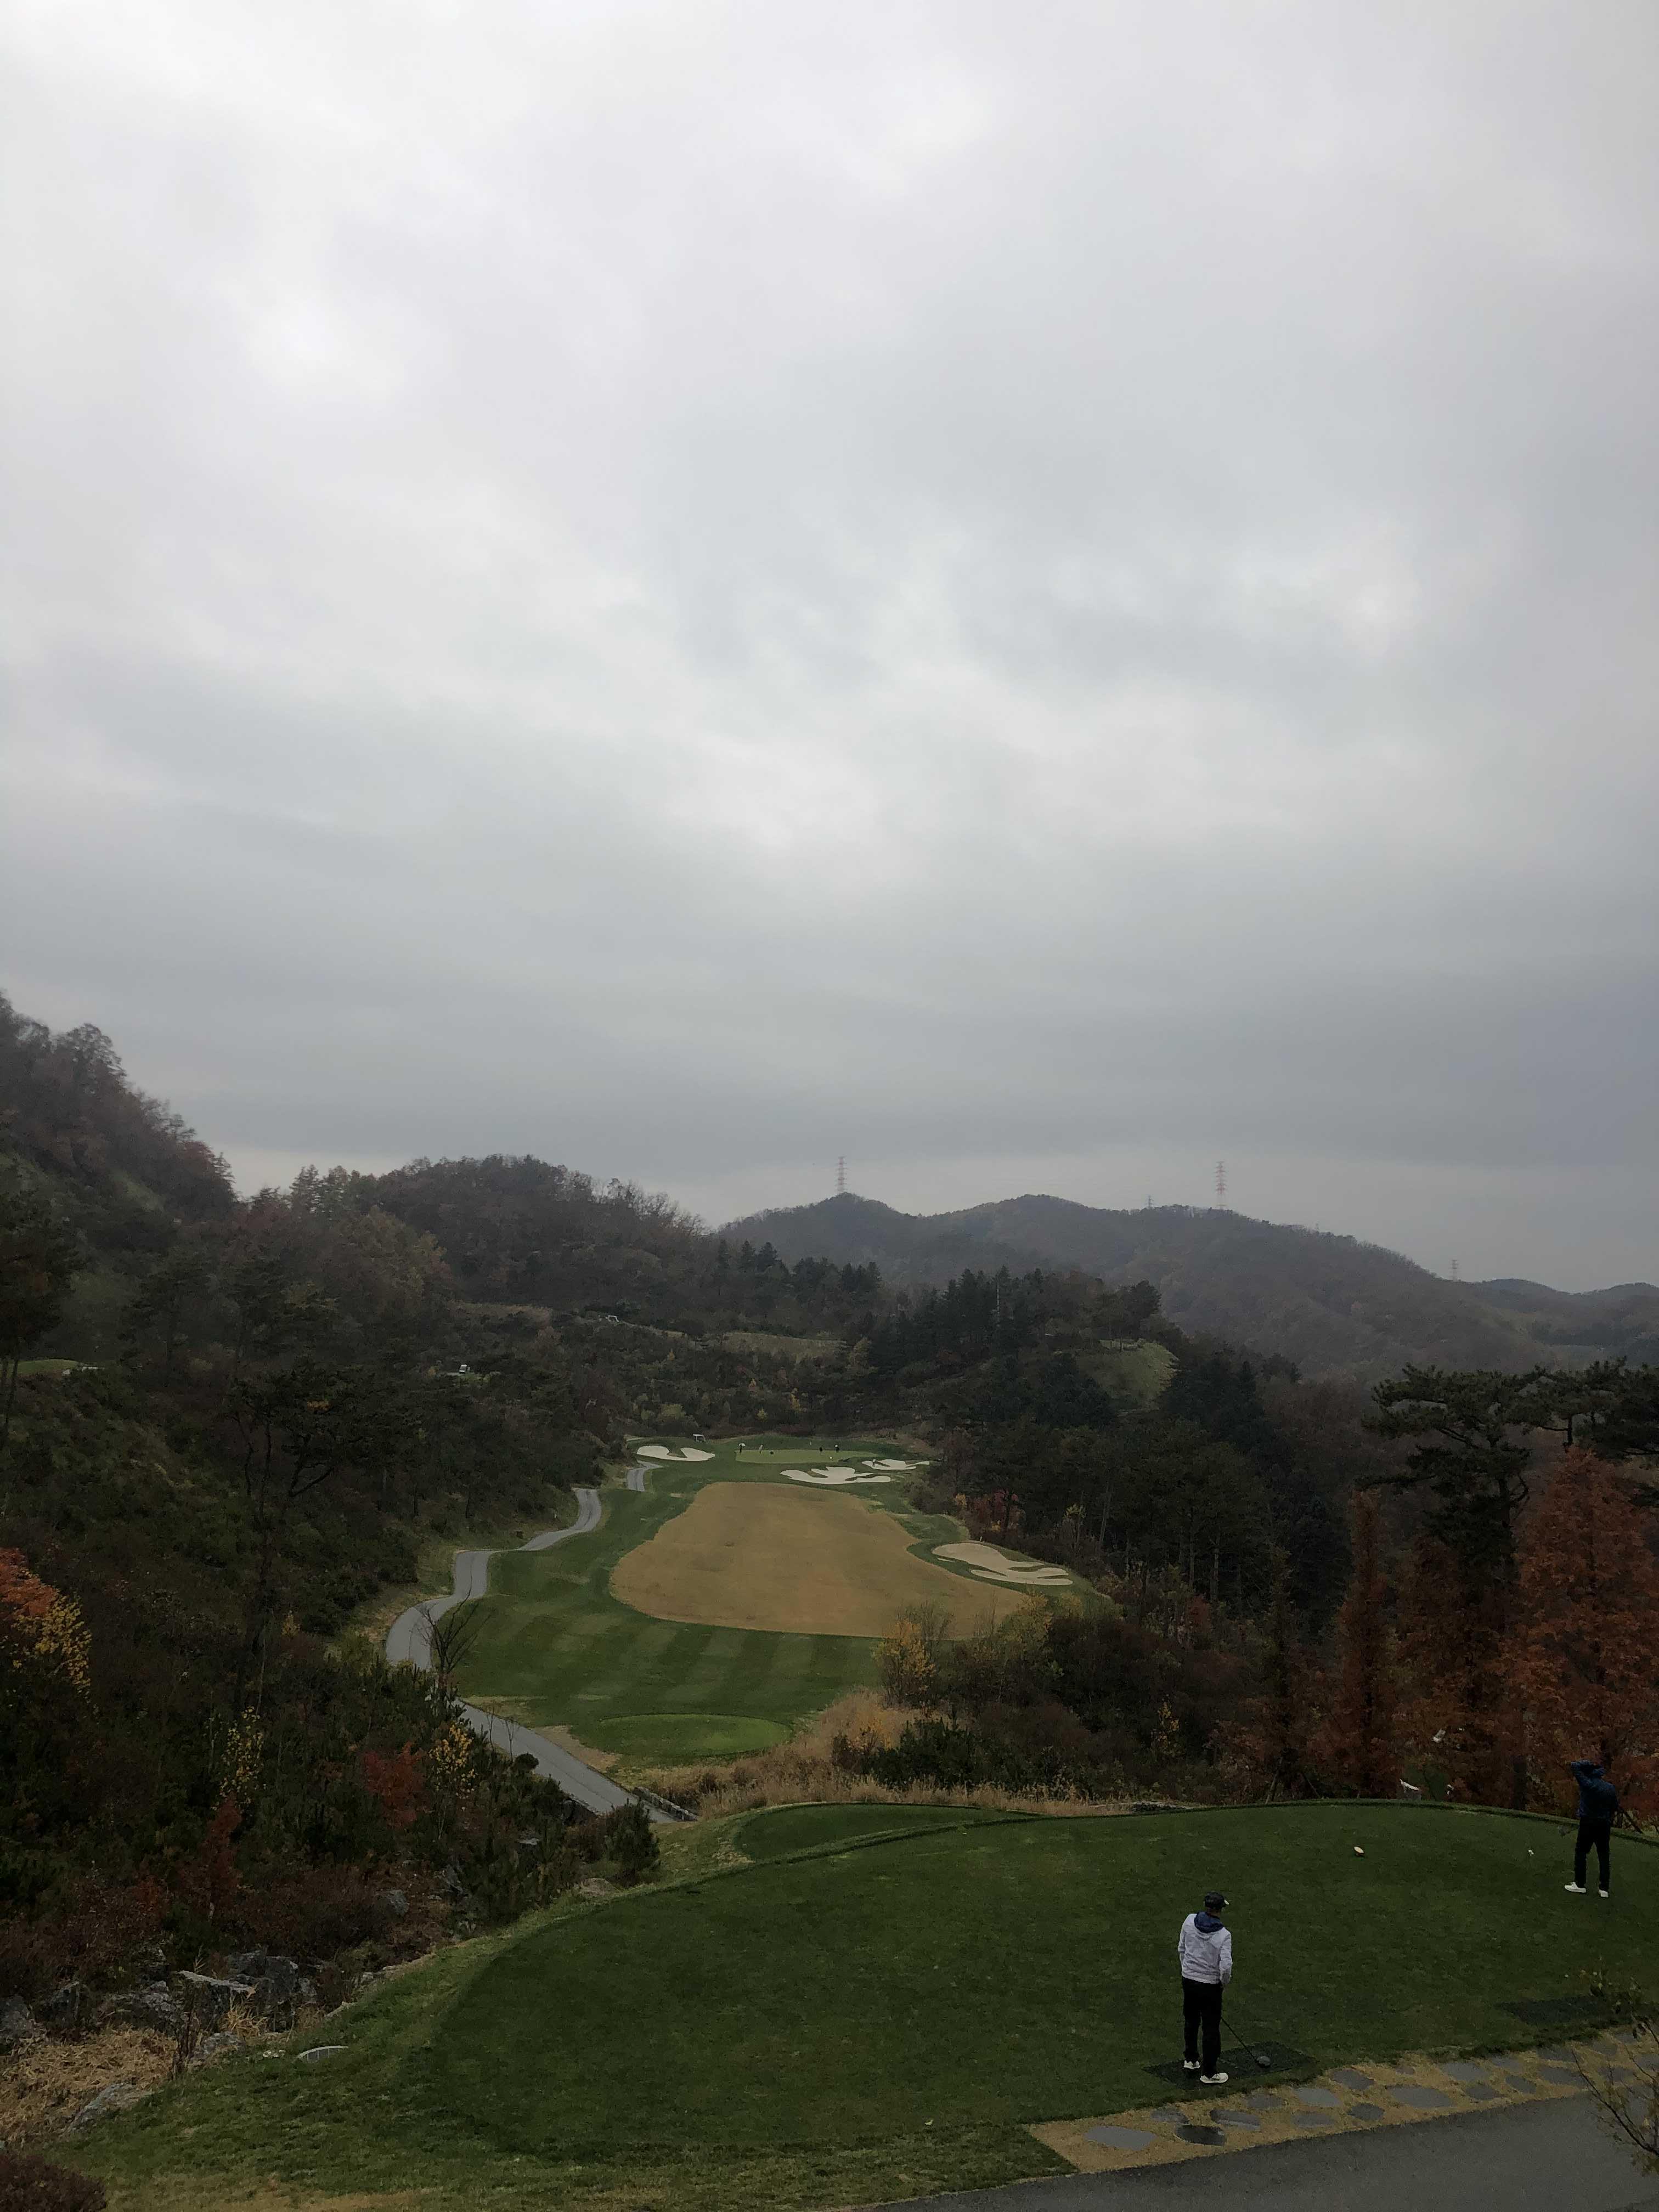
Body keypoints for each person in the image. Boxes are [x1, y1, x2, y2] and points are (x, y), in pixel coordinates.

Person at [1177, 1890, 1233, 2085]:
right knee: (1211, 2028)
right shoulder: (1224, 1936)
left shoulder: (1189, 1921)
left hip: (1189, 1980)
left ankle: (1191, 2059)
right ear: (1219, 1910)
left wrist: (1187, 1971)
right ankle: (1209, 2073)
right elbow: (1226, 1967)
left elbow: (1182, 1949)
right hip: (1210, 1986)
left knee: (1191, 2020)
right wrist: (1223, 1983)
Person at [1565, 1759, 1618, 1898]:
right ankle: (1604, 1889)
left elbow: (1574, 1766)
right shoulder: (1610, 1788)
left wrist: (1588, 1764)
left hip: (1588, 1823)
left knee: (1581, 1852)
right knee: (1604, 1855)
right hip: (1604, 1825)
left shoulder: (1587, 1783)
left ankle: (1580, 1884)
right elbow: (1614, 1807)